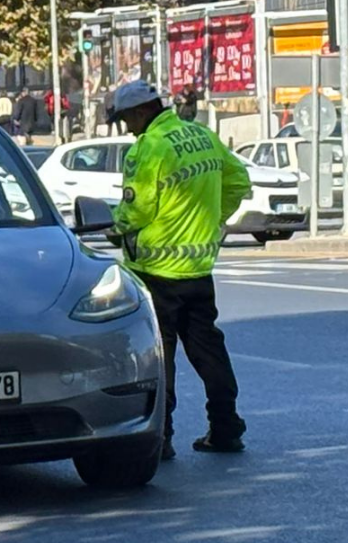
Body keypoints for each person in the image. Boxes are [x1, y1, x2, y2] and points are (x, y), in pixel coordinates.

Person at [108, 80, 253, 461]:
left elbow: (136, 210)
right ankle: (226, 427)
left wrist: (116, 225)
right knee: (209, 352)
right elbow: (238, 181)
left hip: (156, 272)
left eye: (126, 119)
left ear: (142, 111)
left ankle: (163, 437)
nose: (127, 128)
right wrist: (211, 220)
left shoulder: (148, 148)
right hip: (198, 269)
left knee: (160, 356)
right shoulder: (202, 136)